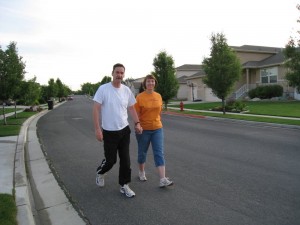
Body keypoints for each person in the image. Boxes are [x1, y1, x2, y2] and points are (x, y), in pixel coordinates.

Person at [93, 63, 142, 198]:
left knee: (126, 160)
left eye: (122, 73)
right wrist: (98, 129)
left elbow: (131, 108)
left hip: (124, 130)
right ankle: (100, 172)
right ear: (112, 73)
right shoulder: (103, 89)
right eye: (117, 72)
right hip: (109, 132)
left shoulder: (126, 90)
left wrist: (137, 123)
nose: (119, 75)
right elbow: (96, 109)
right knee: (111, 161)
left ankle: (124, 185)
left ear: (124, 75)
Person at [134, 74, 173, 187]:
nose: (150, 83)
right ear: (144, 84)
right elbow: (136, 114)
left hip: (157, 128)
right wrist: (137, 125)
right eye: (148, 81)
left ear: (155, 83)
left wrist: (156, 121)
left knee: (159, 153)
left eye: (152, 81)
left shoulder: (158, 96)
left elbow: (159, 112)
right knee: (142, 153)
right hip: (143, 130)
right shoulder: (139, 97)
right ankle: (141, 172)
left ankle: (162, 179)